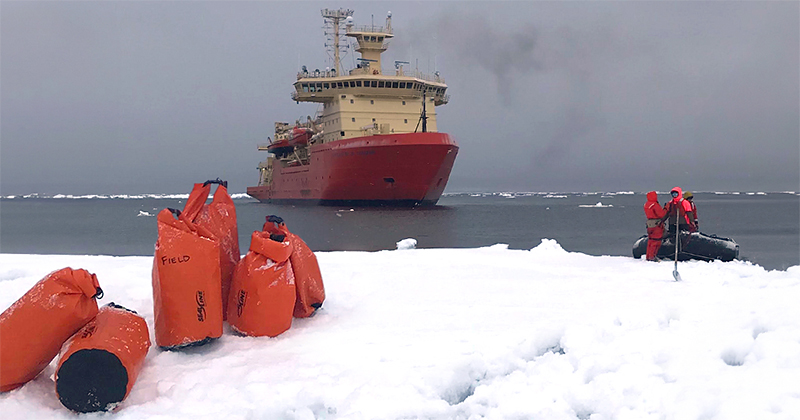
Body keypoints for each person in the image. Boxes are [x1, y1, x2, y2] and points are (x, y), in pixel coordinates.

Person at [643, 191, 666, 261]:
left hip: (649, 225)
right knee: (656, 241)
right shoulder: (655, 205)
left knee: (650, 240)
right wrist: (665, 209)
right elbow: (661, 214)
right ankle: (652, 256)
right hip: (656, 225)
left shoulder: (646, 204)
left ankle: (648, 256)